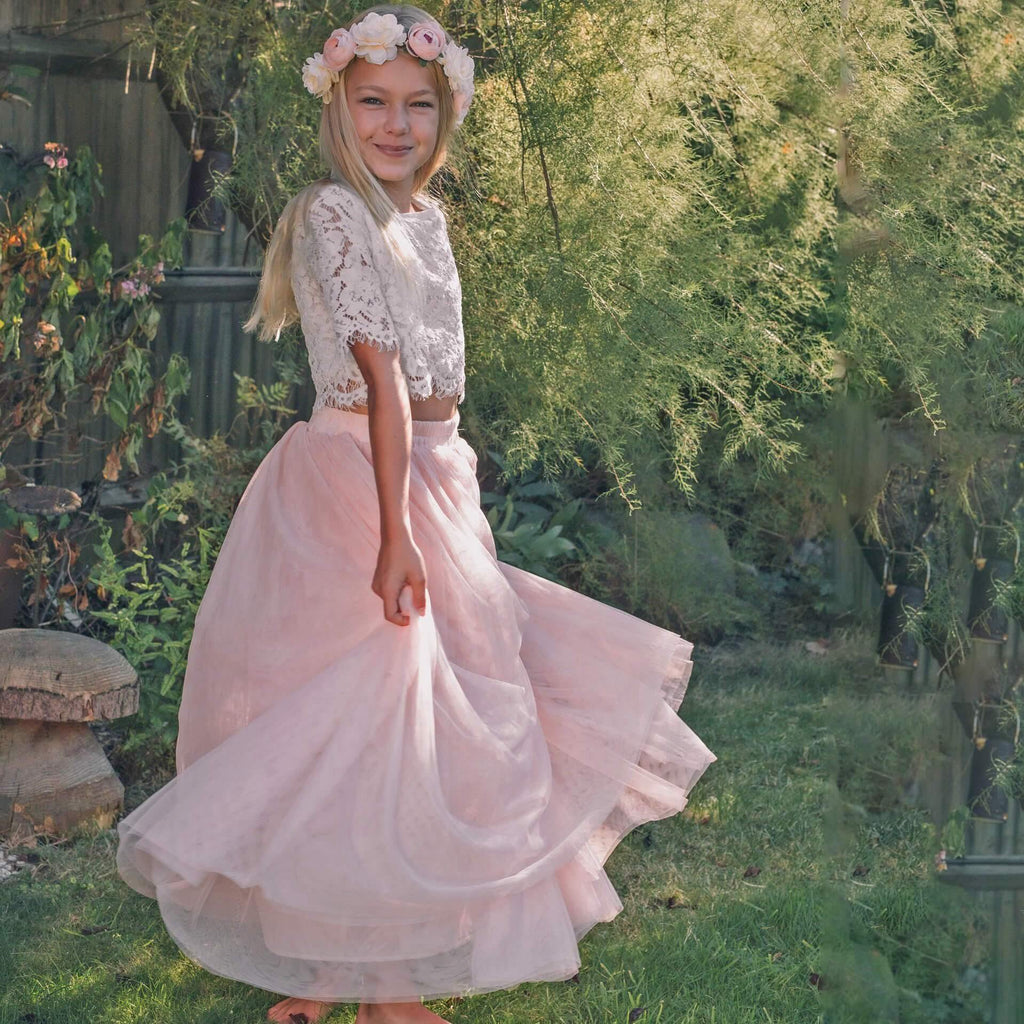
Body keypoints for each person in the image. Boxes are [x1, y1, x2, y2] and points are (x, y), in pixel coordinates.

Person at [115, 7, 716, 1024]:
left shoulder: (424, 222)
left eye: (418, 106)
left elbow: (435, 393)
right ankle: (351, 979)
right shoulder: (334, 213)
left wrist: (443, 497)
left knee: (435, 714)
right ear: (337, 109)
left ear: (448, 114)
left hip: (431, 476)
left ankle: (366, 974)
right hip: (358, 487)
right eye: (373, 103)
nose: (396, 125)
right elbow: (380, 380)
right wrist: (395, 531)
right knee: (364, 715)